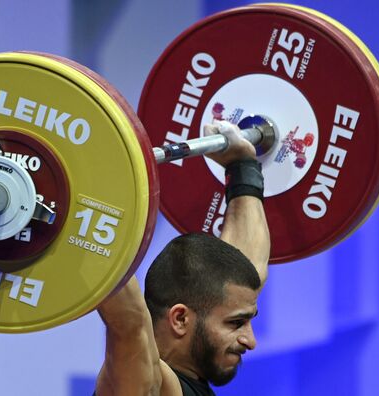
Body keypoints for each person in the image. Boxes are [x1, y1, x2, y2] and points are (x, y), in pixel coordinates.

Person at [94, 121, 270, 396]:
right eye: (236, 323)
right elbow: (129, 323)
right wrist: (86, 219)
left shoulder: (192, 381)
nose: (251, 340)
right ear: (179, 319)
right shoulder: (145, 385)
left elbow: (247, 270)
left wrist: (242, 168)